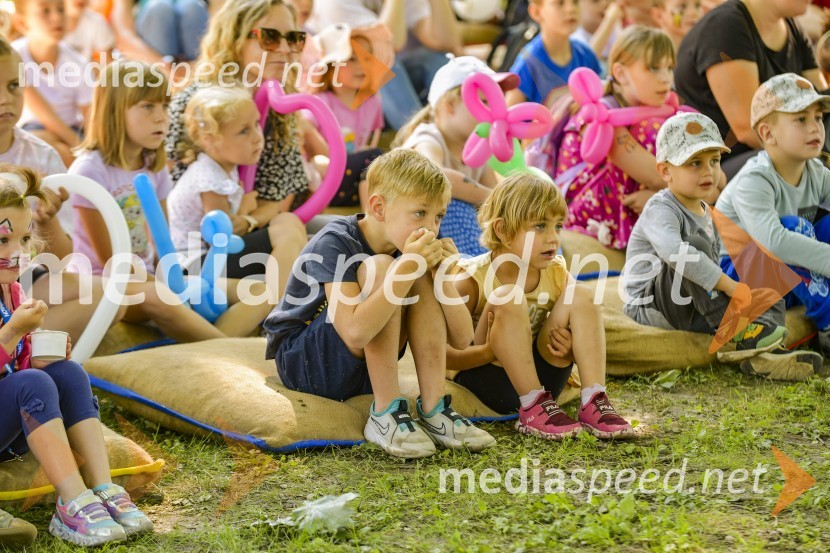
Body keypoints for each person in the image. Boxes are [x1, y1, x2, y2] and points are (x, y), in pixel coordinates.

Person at [264, 149, 496, 459]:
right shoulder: (336, 241)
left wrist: (442, 276)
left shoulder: (406, 246)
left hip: (361, 371)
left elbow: (461, 338)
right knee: (383, 267)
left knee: (415, 273)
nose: (431, 227)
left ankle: (434, 408)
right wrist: (408, 267)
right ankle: (385, 413)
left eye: (438, 216)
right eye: (419, 213)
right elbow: (355, 334)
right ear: (378, 207)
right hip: (306, 364)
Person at [0, 168, 152, 547]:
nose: (16, 253)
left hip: (12, 424)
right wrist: (15, 332)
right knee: (33, 382)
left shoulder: (13, 291)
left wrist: (38, 353)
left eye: (22, 239)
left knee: (67, 373)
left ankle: (103, 488)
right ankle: (72, 501)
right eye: (2, 241)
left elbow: (15, 370)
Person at [71, 61, 268, 341]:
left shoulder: (153, 166)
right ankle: (223, 350)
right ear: (114, 111)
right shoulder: (90, 171)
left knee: (259, 291)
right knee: (162, 297)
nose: (162, 117)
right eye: (148, 107)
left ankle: (216, 342)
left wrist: (177, 282)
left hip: (155, 277)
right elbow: (112, 263)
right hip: (104, 282)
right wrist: (165, 287)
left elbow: (162, 243)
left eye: (164, 106)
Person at [624, 111, 823, 380]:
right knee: (692, 248)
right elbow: (675, 253)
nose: (708, 171)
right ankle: (735, 331)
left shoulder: (707, 211)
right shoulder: (661, 208)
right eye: (694, 163)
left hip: (694, 304)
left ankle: (764, 352)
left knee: (763, 276)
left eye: (714, 161)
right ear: (665, 171)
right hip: (652, 305)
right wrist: (729, 287)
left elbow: (716, 267)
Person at [449, 173, 635, 439]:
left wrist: (574, 349)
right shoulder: (471, 278)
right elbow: (440, 355)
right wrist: (488, 351)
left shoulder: (555, 271)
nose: (553, 238)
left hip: (547, 380)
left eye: (558, 226)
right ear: (502, 230)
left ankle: (594, 400)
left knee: (580, 295)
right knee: (508, 297)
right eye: (539, 226)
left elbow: (582, 320)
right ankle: (533, 406)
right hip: (489, 379)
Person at [166, 0, 335, 236]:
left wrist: (247, 220)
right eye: (270, 37)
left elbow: (276, 198)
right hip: (202, 244)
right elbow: (169, 184)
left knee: (351, 230)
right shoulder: (198, 101)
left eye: (294, 38)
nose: (285, 48)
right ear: (235, 38)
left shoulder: (280, 105)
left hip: (258, 226)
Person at [0, 37, 125, 344]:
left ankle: (24, 348)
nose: (5, 99)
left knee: (112, 298)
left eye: (14, 85)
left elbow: (60, 258)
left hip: (18, 277)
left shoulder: (42, 157)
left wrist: (46, 219)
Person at [716, 73, 830, 360]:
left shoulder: (815, 171)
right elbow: (775, 243)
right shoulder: (754, 179)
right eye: (801, 119)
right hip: (739, 278)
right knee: (794, 228)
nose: (815, 127)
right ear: (767, 134)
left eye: (818, 117)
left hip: (787, 279)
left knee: (823, 227)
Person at [558, 26, 697, 250]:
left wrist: (661, 194)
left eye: (669, 68)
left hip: (641, 194)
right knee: (652, 130)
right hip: (579, 207)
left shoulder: (654, 108)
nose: (665, 79)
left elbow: (709, 178)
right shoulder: (600, 113)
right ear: (621, 74)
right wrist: (668, 193)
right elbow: (654, 176)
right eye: (653, 68)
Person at [169, 85, 306, 298]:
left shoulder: (222, 168)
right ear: (209, 139)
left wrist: (246, 215)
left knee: (287, 222)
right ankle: (282, 307)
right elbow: (221, 239)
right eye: (244, 131)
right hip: (196, 268)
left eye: (255, 125)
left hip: (210, 260)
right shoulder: (210, 181)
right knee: (285, 229)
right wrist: (245, 211)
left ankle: (286, 299)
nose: (257, 137)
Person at [675, 0, 826, 179]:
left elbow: (821, 103)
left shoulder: (791, 26)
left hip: (778, 151)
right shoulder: (726, 25)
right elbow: (748, 128)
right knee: (806, 163)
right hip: (714, 169)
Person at [393, 56, 517, 256]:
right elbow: (434, 175)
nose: (494, 112)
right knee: (452, 205)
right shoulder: (428, 137)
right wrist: (493, 199)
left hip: (450, 243)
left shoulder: (478, 149)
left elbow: (494, 195)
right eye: (485, 102)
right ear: (450, 104)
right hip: (416, 237)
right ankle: (477, 267)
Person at [309, 0, 462, 129]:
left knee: (436, 60)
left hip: (396, 92)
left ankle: (459, 129)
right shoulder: (334, 3)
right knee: (384, 64)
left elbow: (444, 41)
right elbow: (387, 44)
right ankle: (421, 138)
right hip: (356, 99)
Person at [307, 22, 385, 208]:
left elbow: (366, 143)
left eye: (366, 58)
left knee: (379, 163)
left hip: (356, 179)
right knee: (374, 157)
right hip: (327, 180)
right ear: (330, 66)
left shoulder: (372, 102)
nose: (361, 66)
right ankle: (370, 223)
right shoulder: (319, 102)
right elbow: (310, 145)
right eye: (351, 58)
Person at [11, 0, 93, 167]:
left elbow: (90, 117)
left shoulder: (78, 63)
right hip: (33, 130)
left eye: (61, 9)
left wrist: (91, 148)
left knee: (69, 153)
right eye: (45, 11)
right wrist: (80, 149)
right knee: (48, 146)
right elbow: (44, 114)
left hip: (74, 130)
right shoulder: (13, 57)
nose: (56, 17)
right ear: (21, 22)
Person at [506, 0, 601, 107]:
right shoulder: (528, 63)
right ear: (536, 12)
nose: (571, 9)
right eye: (560, 3)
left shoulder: (586, 54)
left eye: (575, 2)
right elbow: (508, 117)